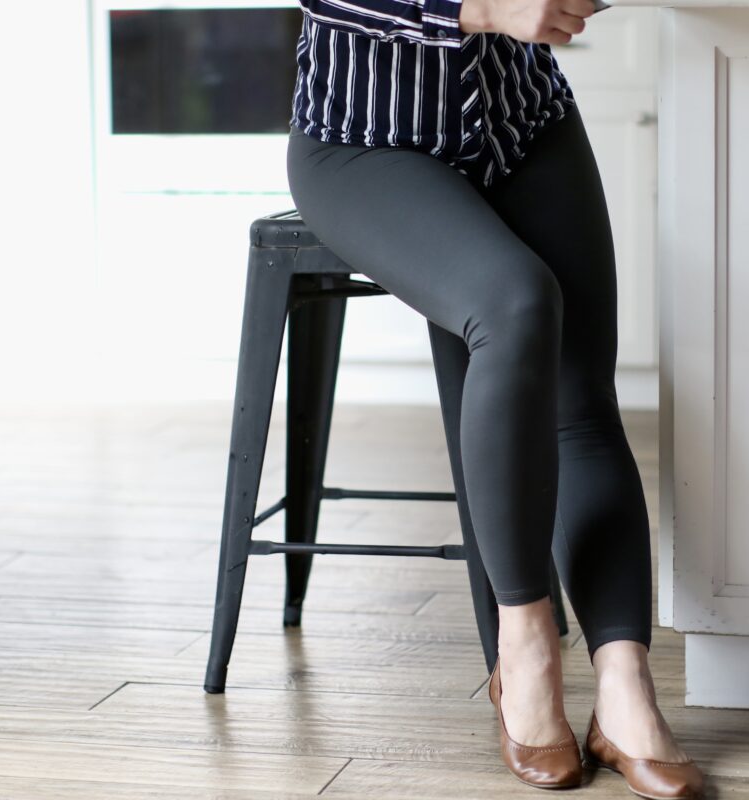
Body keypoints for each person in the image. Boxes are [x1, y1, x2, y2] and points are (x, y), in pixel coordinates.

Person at [284, 0, 706, 796]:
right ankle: (525, 649)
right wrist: (486, 7)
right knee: (517, 302)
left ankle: (625, 691)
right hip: (366, 141)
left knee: (581, 400)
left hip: (522, 124)